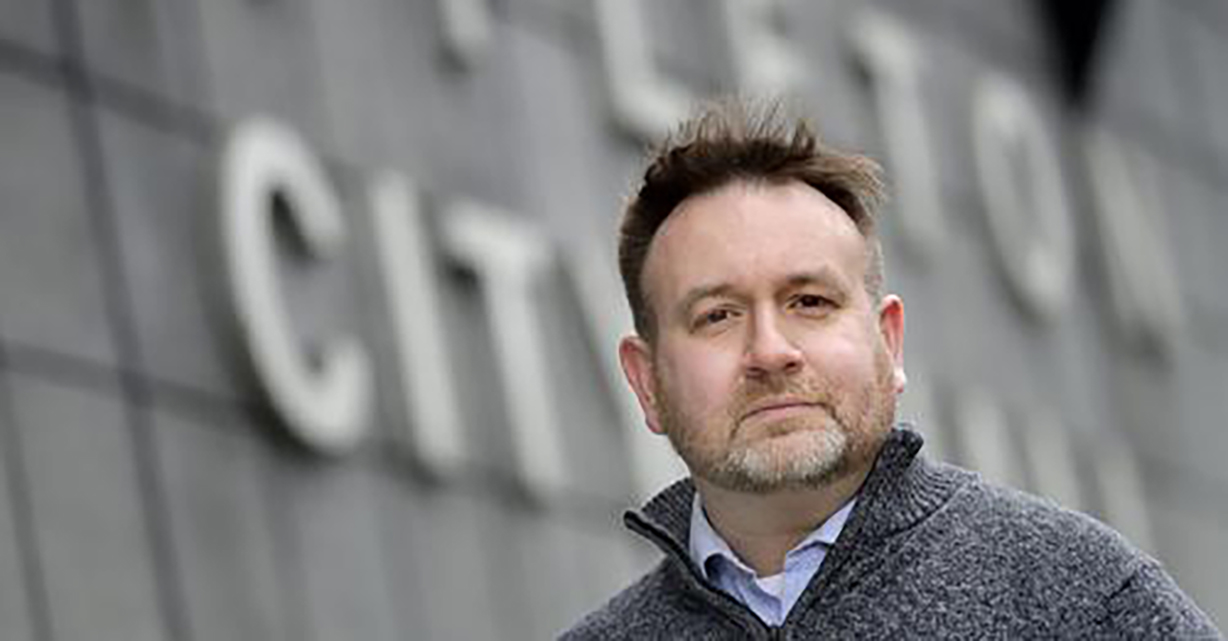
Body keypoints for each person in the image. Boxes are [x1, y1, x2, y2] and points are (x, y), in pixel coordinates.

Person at [560, 99, 1221, 639]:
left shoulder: (1085, 598)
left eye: (809, 302)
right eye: (718, 315)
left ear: (889, 341)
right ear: (646, 381)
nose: (769, 350)